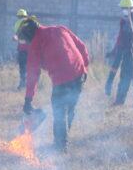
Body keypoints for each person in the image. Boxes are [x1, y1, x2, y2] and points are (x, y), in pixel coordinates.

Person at [17, 17, 89, 153]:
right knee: (71, 108)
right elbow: (82, 47)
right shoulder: (59, 29)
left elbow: (32, 75)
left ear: (26, 35)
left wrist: (28, 100)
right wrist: (84, 68)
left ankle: (61, 147)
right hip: (79, 74)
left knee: (59, 112)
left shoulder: (34, 46)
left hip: (62, 80)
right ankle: (65, 136)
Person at [13, 8, 29, 90]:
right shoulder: (31, 23)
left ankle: (22, 84)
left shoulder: (17, 23)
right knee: (31, 67)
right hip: (31, 50)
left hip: (22, 50)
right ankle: (31, 84)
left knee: (22, 68)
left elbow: (15, 35)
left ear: (18, 16)